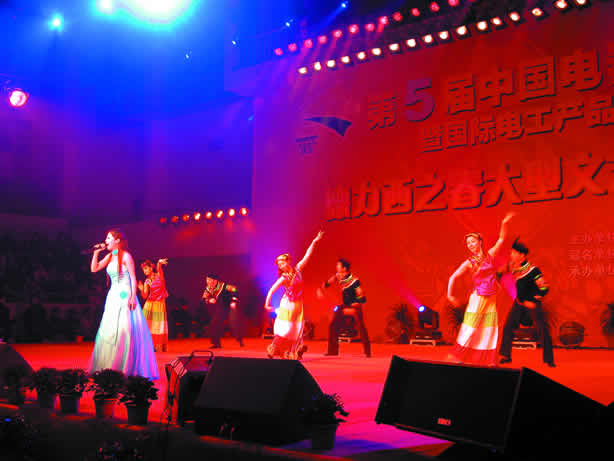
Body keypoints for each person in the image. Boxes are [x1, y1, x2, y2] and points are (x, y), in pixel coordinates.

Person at [89, 229, 158, 379]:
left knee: (124, 329)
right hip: (113, 295)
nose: (106, 241)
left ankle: (125, 366)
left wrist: (133, 296)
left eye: (109, 238)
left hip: (124, 294)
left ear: (117, 241)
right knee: (110, 329)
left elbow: (133, 277)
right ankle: (110, 366)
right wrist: (95, 253)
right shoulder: (110, 256)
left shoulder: (126, 256)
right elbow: (94, 269)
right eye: (106, 238)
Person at [447, 213, 514, 366]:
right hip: (478, 298)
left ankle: (489, 359)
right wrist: (450, 295)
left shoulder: (490, 255)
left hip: (491, 298)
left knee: (489, 329)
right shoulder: (468, 262)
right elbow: (453, 277)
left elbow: (501, 239)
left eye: (473, 241)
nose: (470, 244)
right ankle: (460, 356)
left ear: (480, 242)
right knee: (470, 327)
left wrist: (504, 223)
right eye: (468, 243)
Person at [264, 231, 324, 359]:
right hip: (288, 304)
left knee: (297, 329)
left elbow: (307, 255)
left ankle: (294, 350)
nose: (282, 266)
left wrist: (314, 241)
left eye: (283, 263)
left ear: (288, 261)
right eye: (280, 265)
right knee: (286, 328)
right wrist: (267, 304)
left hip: (298, 304)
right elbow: (272, 290)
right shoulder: (284, 278)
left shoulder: (298, 269)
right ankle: (275, 348)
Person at [499, 239, 554, 367]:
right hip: (519, 302)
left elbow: (545, 287)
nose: (511, 255)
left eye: (514, 253)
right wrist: (498, 278)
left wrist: (536, 299)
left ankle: (549, 359)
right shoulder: (512, 266)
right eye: (511, 252)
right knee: (508, 327)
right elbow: (500, 272)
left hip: (531, 304)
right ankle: (506, 356)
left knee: (542, 329)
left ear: (522, 255)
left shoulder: (533, 270)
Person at [317, 258, 371, 357]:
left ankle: (367, 352)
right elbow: (327, 284)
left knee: (361, 327)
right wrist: (320, 290)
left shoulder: (354, 280)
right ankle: (333, 351)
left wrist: (356, 304)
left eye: (338, 265)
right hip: (345, 306)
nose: (336, 267)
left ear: (344, 268)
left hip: (355, 306)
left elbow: (361, 296)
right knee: (333, 325)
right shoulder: (338, 276)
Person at [201, 273, 243, 348]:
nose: (208, 281)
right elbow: (203, 299)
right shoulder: (209, 288)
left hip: (231, 306)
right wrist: (209, 300)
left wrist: (234, 301)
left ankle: (239, 339)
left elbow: (235, 290)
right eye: (207, 280)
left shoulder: (224, 286)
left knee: (233, 323)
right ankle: (216, 343)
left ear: (215, 281)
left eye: (209, 280)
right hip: (222, 308)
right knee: (214, 324)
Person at [138, 259, 169, 352]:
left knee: (158, 324)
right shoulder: (147, 281)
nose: (144, 271)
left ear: (151, 268)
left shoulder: (159, 276)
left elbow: (159, 269)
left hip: (159, 303)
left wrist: (159, 263)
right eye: (143, 270)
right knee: (145, 323)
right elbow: (144, 296)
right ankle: (147, 344)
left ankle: (158, 345)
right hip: (150, 303)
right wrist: (141, 289)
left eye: (146, 269)